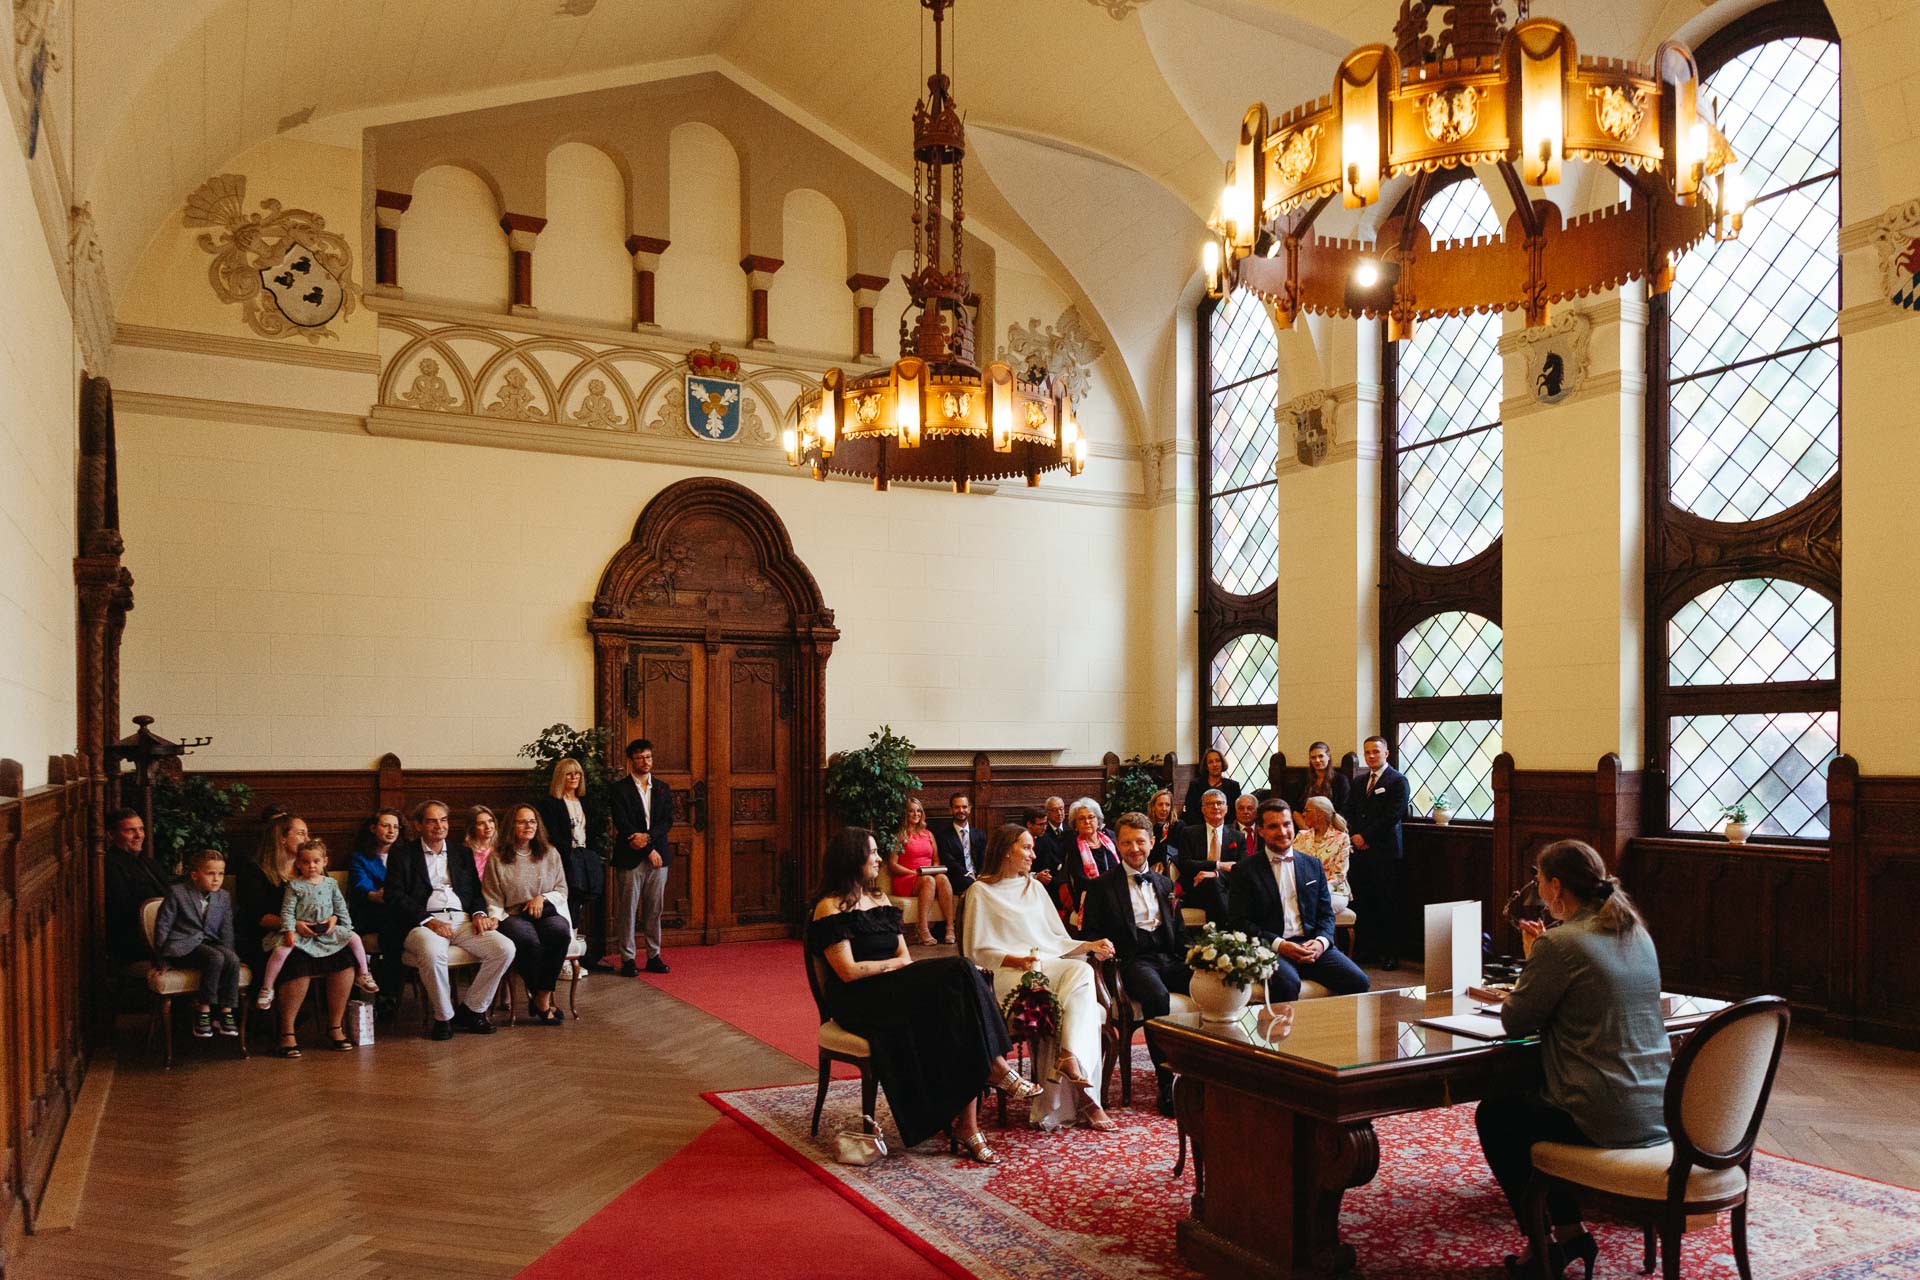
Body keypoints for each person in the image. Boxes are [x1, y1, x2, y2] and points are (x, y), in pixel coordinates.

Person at [1474, 841, 1670, 1278]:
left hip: (1603, 1113)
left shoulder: (1559, 944)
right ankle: (1568, 1232)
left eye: (1540, 881)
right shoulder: (1635, 932)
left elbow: (1515, 1020)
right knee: (1531, 1106)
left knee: (1497, 1115)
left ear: (1557, 886)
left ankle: (1544, 1244)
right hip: (1658, 1105)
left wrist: (1534, 958)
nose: (1539, 891)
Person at [806, 828, 1040, 1164]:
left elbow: (906, 958)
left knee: (962, 1007)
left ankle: (969, 1124)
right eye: (871, 853)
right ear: (851, 858)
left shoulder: (881, 900)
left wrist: (889, 967)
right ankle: (997, 1068)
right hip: (858, 1001)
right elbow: (848, 972)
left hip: (890, 989)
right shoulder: (829, 907)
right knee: (961, 969)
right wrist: (889, 967)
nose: (877, 860)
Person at [963, 824, 1117, 1132]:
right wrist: (1017, 959)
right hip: (1006, 974)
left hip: (1045, 963)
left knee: (1081, 971)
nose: (1034, 855)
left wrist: (1088, 945)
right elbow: (975, 950)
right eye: (1027, 848)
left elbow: (1056, 938)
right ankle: (1087, 1100)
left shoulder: (1034, 887)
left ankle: (1068, 1055)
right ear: (1007, 850)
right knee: (1078, 986)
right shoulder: (980, 891)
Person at [1080, 812, 1189, 1116]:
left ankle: (1206, 1073)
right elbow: (1089, 934)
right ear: (1118, 844)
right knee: (1157, 996)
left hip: (1169, 957)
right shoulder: (1102, 886)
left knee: (1215, 981)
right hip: (1132, 961)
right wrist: (1099, 946)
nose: (1134, 848)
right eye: (1126, 842)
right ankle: (1166, 1084)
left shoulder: (1165, 883)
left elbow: (1179, 933)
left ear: (1152, 842)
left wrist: (1199, 959)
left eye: (1140, 841)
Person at [387, 799, 516, 1041]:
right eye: (432, 821)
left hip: (462, 920)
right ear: (418, 826)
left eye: (443, 820)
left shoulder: (461, 853)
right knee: (433, 950)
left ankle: (472, 1009)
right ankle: (443, 1017)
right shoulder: (402, 855)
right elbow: (395, 896)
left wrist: (479, 915)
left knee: (504, 948)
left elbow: (477, 894)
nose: (439, 826)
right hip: (422, 923)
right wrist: (428, 921)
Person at [235, 813, 359, 1057]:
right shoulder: (255, 870)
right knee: (297, 962)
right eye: (301, 833)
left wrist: (331, 921)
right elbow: (255, 914)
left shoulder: (311, 864)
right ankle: (286, 1033)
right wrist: (294, 925)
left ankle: (335, 1026)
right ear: (282, 838)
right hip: (273, 935)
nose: (307, 838)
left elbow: (332, 902)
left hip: (317, 934)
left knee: (344, 960)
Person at [1227, 799, 1369, 1001]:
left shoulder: (1313, 865)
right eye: (1273, 826)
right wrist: (1280, 945)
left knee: (1359, 981)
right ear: (1260, 831)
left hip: (1310, 943)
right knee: (1287, 985)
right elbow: (1238, 922)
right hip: (1271, 947)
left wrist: (1320, 942)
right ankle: (1285, 1032)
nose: (1282, 832)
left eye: (1287, 824)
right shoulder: (1244, 870)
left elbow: (1325, 914)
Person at [256, 838, 378, 1013]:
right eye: (306, 862)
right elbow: (288, 911)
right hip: (302, 929)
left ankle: (364, 974)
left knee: (355, 938)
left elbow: (340, 906)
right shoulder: (294, 885)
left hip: (326, 928)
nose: (311, 866)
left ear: (325, 861)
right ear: (298, 863)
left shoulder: (330, 884)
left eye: (316, 861)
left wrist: (347, 926)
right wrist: (289, 930)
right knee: (281, 950)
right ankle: (267, 987)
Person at [485, 804, 574, 1025]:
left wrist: (542, 898)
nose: (528, 826)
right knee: (528, 940)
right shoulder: (497, 856)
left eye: (532, 821)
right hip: (512, 913)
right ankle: (542, 998)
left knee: (560, 932)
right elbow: (492, 894)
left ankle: (541, 997)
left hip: (544, 909)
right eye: (522, 821)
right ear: (511, 826)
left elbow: (562, 889)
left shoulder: (550, 853)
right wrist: (496, 917)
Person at [150, 849, 243, 1040]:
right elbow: (162, 927)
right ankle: (204, 1010)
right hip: (182, 947)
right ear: (195, 875)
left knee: (231, 958)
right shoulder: (178, 892)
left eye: (221, 873)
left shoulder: (223, 897)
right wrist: (161, 960)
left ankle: (226, 1012)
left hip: (208, 943)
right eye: (210, 873)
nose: (216, 879)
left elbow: (226, 930)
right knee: (215, 957)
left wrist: (231, 952)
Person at [610, 737, 674, 976]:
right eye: (639, 758)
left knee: (654, 909)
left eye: (648, 757)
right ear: (631, 761)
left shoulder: (662, 787)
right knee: (628, 909)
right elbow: (622, 822)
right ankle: (628, 958)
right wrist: (647, 849)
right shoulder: (620, 789)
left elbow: (667, 821)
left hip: (658, 856)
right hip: (630, 856)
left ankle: (653, 955)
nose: (645, 761)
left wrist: (648, 841)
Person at [1344, 734, 1409, 968]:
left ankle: (1389, 953)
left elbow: (1393, 815)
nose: (1371, 756)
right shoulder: (1360, 781)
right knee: (1364, 901)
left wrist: (1367, 836)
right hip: (1361, 850)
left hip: (1385, 851)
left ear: (1386, 753)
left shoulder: (1397, 781)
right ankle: (1367, 950)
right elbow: (1349, 810)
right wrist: (1355, 836)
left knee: (1386, 903)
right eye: (1368, 752)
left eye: (1376, 752)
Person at [538, 757, 605, 975]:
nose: (574, 777)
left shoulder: (585, 802)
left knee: (578, 908)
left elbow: (593, 832)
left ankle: (573, 955)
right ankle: (562, 959)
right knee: (564, 908)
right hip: (563, 861)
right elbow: (550, 835)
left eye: (577, 773)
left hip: (584, 859)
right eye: (569, 774)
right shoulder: (551, 804)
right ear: (560, 777)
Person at [103, 808, 170, 965]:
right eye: (130, 831)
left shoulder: (148, 862)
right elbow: (125, 912)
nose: (139, 835)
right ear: (111, 835)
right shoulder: (109, 866)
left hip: (165, 931)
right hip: (138, 940)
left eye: (141, 829)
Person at [348, 808, 403, 997]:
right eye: (386, 825)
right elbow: (361, 886)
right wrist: (376, 894)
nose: (392, 830)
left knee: (398, 925)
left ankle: (389, 993)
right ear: (373, 828)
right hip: (369, 912)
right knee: (394, 929)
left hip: (397, 910)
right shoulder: (360, 857)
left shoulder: (406, 855)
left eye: (396, 827)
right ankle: (387, 994)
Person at [1173, 789, 1247, 923]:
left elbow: (1242, 870)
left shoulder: (1238, 837)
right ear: (1203, 809)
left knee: (1215, 884)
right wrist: (1218, 865)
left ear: (1226, 808)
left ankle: (1215, 938)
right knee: (1214, 889)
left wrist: (1216, 874)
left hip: (1227, 888)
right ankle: (1229, 933)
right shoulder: (1189, 833)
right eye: (1210, 804)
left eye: (1220, 803)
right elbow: (1186, 865)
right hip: (1196, 888)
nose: (1216, 807)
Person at [885, 797, 951, 947]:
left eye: (918, 811)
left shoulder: (928, 834)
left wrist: (934, 869)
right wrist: (914, 873)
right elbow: (892, 865)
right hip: (906, 878)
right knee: (929, 880)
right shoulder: (899, 836)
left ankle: (950, 928)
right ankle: (923, 929)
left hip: (927, 875)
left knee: (942, 878)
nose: (916, 814)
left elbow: (936, 859)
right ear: (905, 814)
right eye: (911, 811)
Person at [1057, 796, 1118, 927]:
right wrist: (1107, 890)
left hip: (1117, 894)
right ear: (1075, 824)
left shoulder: (1111, 840)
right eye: (1082, 819)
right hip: (1091, 899)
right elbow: (1080, 881)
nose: (1087, 821)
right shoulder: (1073, 847)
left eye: (1091, 817)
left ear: (1098, 820)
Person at [1292, 795, 1354, 914]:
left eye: (1307, 810)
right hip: (1304, 890)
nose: (1303, 814)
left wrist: (1318, 889)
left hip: (1334, 891)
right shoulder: (1302, 836)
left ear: (1320, 813)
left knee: (1314, 905)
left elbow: (1339, 874)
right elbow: (1293, 865)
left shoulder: (1341, 838)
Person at [1180, 749, 1241, 824]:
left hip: (1226, 828)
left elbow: (1236, 812)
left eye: (1218, 761)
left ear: (1222, 763)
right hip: (1200, 828)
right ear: (1206, 766)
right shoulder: (1195, 785)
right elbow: (1190, 810)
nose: (1215, 764)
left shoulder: (1233, 786)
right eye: (1210, 762)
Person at [1292, 741, 1351, 814]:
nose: (1317, 760)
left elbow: (1344, 810)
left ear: (1328, 756)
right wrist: (1304, 826)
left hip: (1332, 823)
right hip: (1305, 822)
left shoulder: (1341, 780)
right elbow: (1295, 809)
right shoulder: (1303, 778)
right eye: (1313, 757)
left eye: (1321, 756)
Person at [1145, 788, 1182, 878]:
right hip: (1150, 870)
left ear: (1171, 807)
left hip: (1174, 870)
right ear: (1153, 807)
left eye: (1167, 805)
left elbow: (1182, 853)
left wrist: (1164, 863)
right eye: (1160, 805)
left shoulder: (1179, 826)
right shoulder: (1146, 827)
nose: (1164, 809)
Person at [464, 805, 499, 881]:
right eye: (481, 823)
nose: (488, 826)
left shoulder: (502, 847)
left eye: (490, 821)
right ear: (472, 827)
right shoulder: (464, 852)